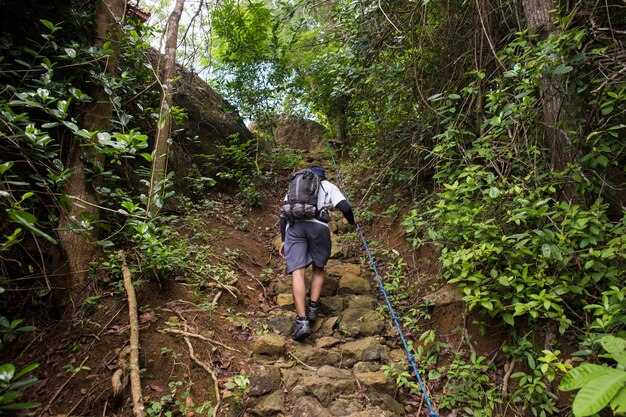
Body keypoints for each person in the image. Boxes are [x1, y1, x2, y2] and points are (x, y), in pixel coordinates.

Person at [279, 165, 355, 340]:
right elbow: (345, 207)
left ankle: (302, 321)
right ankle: (313, 307)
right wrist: (351, 222)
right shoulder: (327, 186)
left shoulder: (295, 186)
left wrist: (284, 240)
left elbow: (283, 215)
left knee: (298, 273)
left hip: (295, 228)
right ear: (323, 176)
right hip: (318, 228)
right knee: (318, 268)